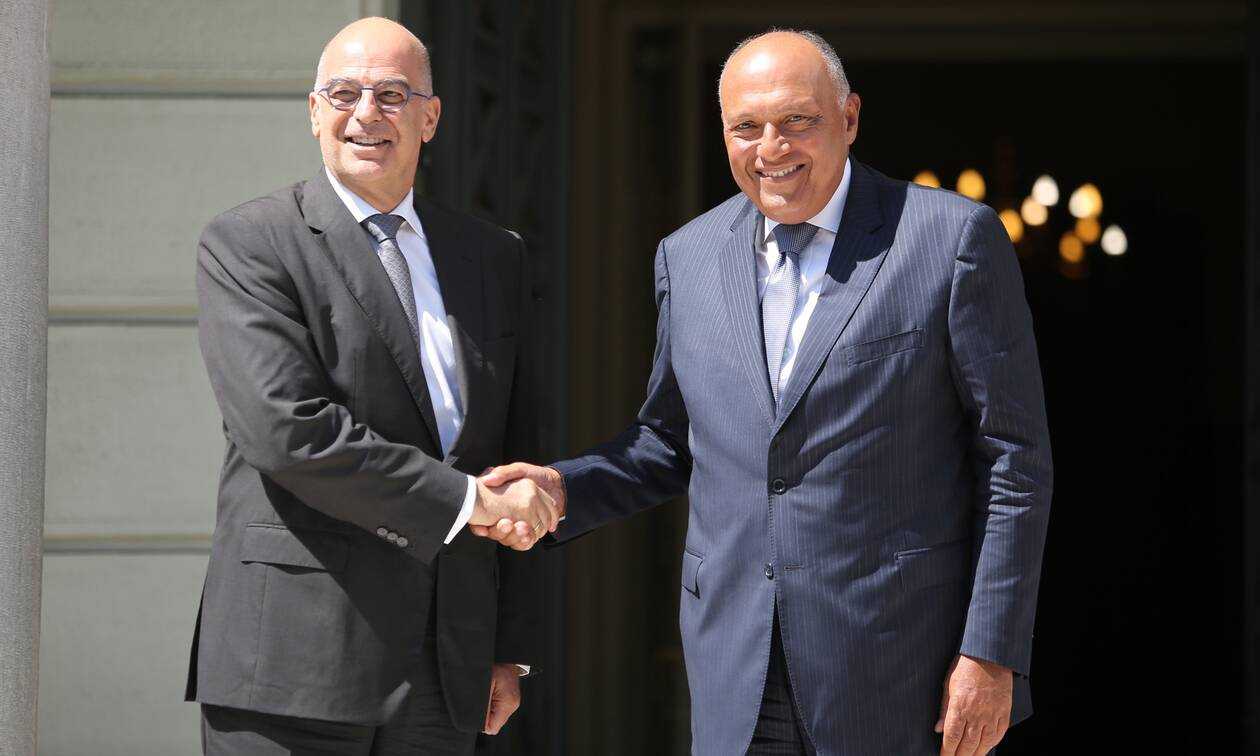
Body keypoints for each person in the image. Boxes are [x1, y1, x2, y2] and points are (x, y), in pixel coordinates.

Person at [479, 28, 1052, 756]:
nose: (770, 148)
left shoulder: (950, 239)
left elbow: (1013, 461)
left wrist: (990, 653)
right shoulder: (686, 257)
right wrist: (563, 488)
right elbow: (670, 441)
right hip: (736, 665)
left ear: (849, 118)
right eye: (746, 127)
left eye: (797, 121)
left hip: (901, 669)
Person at [185, 17, 560, 755]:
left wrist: (507, 647)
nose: (366, 113)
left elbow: (515, 449)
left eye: (392, 94)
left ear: (431, 117)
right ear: (313, 111)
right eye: (344, 94)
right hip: (292, 664)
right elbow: (288, 432)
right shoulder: (251, 244)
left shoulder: (493, 257)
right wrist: (468, 501)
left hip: (444, 672)